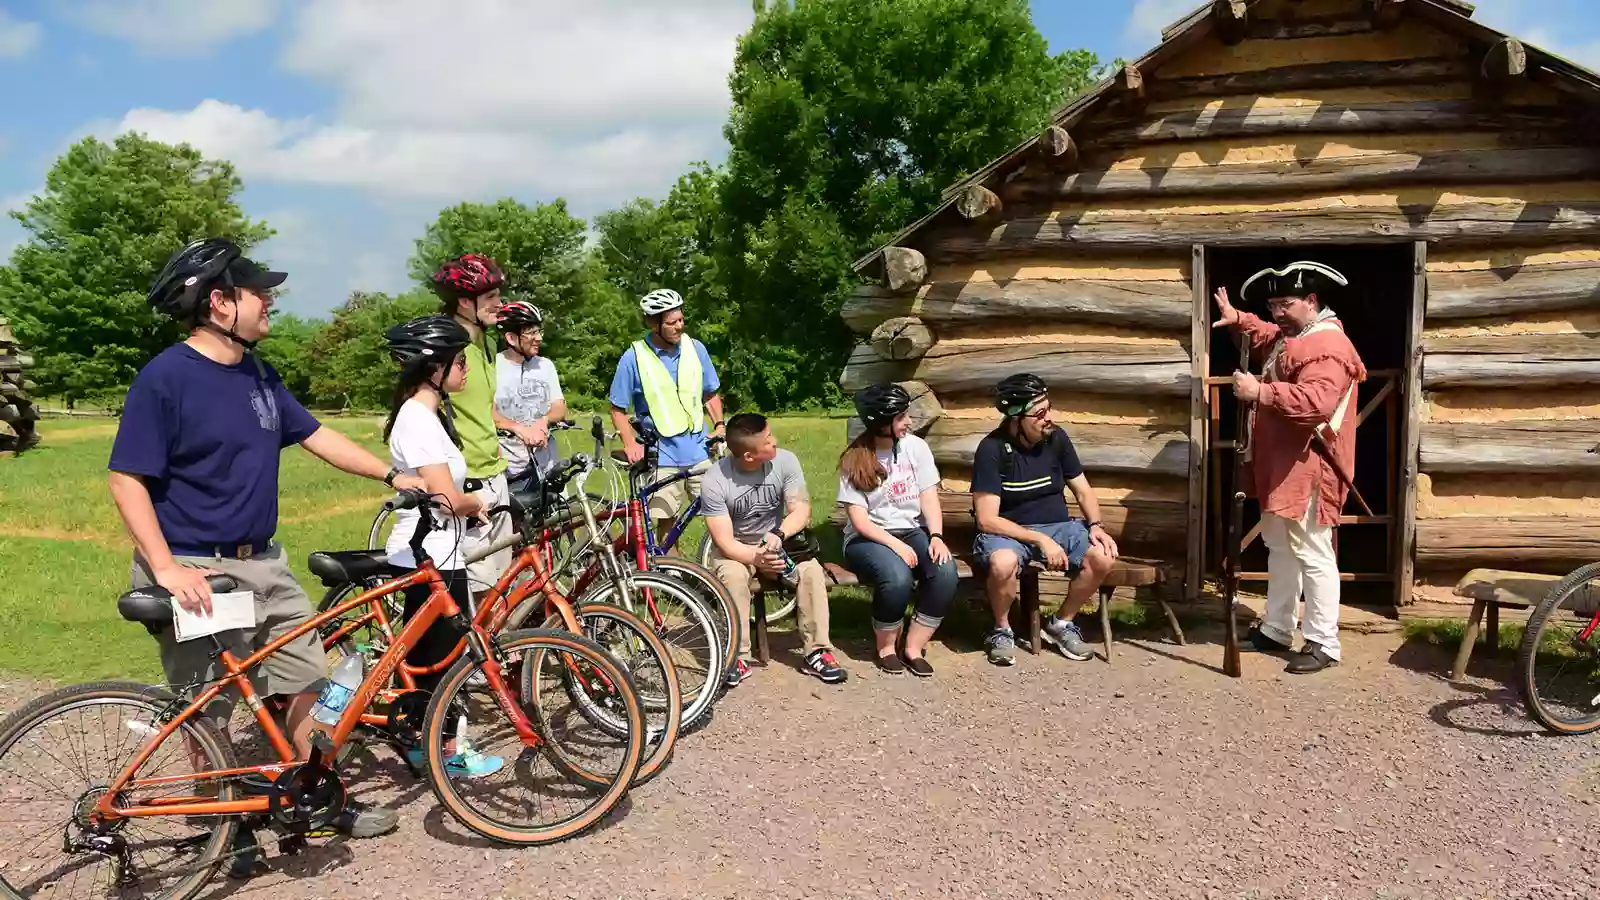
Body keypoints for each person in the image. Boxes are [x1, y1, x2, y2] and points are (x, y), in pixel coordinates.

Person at [108, 237, 422, 842]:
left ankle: (315, 796)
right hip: (199, 569)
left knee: (308, 678)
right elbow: (127, 479)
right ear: (221, 303)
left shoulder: (257, 370)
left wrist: (393, 474)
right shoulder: (165, 379)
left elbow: (313, 433)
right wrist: (167, 568)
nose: (271, 300)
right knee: (209, 708)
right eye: (260, 292)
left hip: (266, 564)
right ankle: (224, 827)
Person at [1215, 260, 1368, 674]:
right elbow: (1273, 340)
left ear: (1312, 301)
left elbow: (1315, 403)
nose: (1277, 314)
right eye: (1272, 305)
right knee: (1280, 546)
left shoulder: (1328, 346)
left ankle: (1323, 642)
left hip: (1310, 464)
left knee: (1313, 552)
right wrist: (1241, 319)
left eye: (1285, 304)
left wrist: (1259, 392)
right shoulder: (1299, 335)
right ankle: (1279, 627)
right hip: (1284, 463)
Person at [381, 315, 503, 778]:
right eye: (458, 361)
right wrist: (481, 499)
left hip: (439, 549)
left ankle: (431, 747)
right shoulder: (417, 419)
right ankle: (441, 751)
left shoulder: (427, 415)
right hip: (424, 551)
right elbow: (445, 498)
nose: (466, 369)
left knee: (434, 659)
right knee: (439, 663)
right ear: (434, 367)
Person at [971, 373, 1119, 666]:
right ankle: (1002, 630)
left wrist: (1097, 526)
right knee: (1002, 563)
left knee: (1103, 556)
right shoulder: (992, 449)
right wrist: (1040, 539)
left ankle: (1062, 623)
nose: (1048, 417)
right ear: (1016, 418)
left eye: (1048, 408)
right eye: (1039, 414)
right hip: (1009, 533)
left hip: (1059, 527)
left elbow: (1083, 489)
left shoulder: (1058, 439)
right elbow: (987, 520)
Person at [702, 413, 845, 686]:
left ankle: (818, 652)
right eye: (768, 441)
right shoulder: (715, 479)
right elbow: (724, 541)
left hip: (779, 542)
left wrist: (778, 535)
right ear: (748, 456)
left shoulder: (785, 461)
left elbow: (800, 509)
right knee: (732, 576)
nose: (775, 442)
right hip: (737, 548)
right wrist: (757, 558)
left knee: (811, 572)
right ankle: (736, 655)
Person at [837, 384, 958, 677]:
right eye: (902, 417)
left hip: (911, 529)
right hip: (867, 537)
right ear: (882, 422)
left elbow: (929, 496)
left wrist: (937, 536)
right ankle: (886, 647)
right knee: (896, 576)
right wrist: (895, 545)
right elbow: (860, 521)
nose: (909, 422)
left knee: (945, 571)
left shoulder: (916, 448)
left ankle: (913, 647)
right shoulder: (854, 460)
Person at [608, 288, 724, 543]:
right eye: (672, 323)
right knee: (667, 525)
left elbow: (710, 393)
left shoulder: (695, 349)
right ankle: (671, 577)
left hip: (700, 450)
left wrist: (719, 424)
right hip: (663, 454)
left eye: (681, 320)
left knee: (721, 517)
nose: (679, 326)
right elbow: (617, 408)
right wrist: (630, 444)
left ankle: (717, 575)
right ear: (653, 323)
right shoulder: (633, 358)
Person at [430, 254, 511, 596]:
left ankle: (509, 648)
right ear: (464, 301)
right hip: (466, 482)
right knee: (479, 589)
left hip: (496, 472)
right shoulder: (445, 349)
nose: (500, 304)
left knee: (506, 581)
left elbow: (483, 407)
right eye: (490, 298)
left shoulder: (485, 342)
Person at [493, 300, 567, 485]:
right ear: (511, 338)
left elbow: (559, 406)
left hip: (548, 463)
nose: (539, 338)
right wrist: (517, 428)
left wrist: (544, 421)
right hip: (510, 467)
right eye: (531, 332)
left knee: (559, 512)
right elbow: (485, 410)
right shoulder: (492, 367)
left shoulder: (545, 366)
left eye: (539, 331)